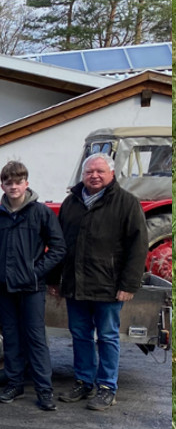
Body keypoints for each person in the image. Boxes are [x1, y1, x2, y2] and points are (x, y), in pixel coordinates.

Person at [50, 153, 148, 411]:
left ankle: (107, 388)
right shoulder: (71, 203)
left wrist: (129, 285)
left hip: (109, 286)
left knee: (107, 337)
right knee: (80, 335)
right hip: (75, 285)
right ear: (82, 175)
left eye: (100, 171)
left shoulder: (127, 203)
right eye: (89, 171)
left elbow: (138, 247)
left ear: (111, 174)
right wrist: (55, 279)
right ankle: (83, 382)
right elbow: (60, 245)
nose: (94, 175)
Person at [0, 160, 66, 411]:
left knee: (36, 338)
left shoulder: (40, 213)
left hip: (31, 289)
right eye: (9, 182)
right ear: (2, 185)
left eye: (18, 182)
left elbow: (58, 248)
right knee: (12, 337)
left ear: (26, 183)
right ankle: (14, 384)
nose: (13, 186)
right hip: (5, 288)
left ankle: (44, 390)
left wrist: (35, 272)